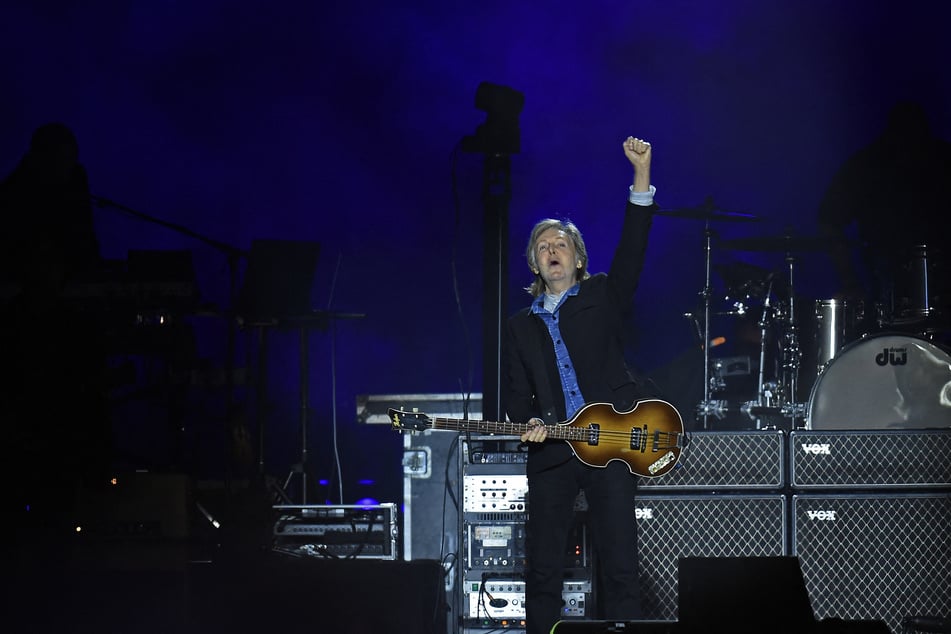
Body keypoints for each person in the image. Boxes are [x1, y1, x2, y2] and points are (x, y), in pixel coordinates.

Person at [502, 135, 657, 634]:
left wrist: (640, 177)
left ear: (577, 257)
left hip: (611, 444)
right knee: (543, 569)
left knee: (620, 568)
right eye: (543, 247)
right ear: (533, 263)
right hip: (552, 453)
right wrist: (525, 421)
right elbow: (514, 393)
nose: (552, 251)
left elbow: (632, 252)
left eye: (561, 244)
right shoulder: (519, 325)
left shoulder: (602, 297)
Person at [817, 100, 951, 334]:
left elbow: (829, 221)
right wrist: (850, 281)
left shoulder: (943, 158)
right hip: (883, 285)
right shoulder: (866, 165)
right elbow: (829, 221)